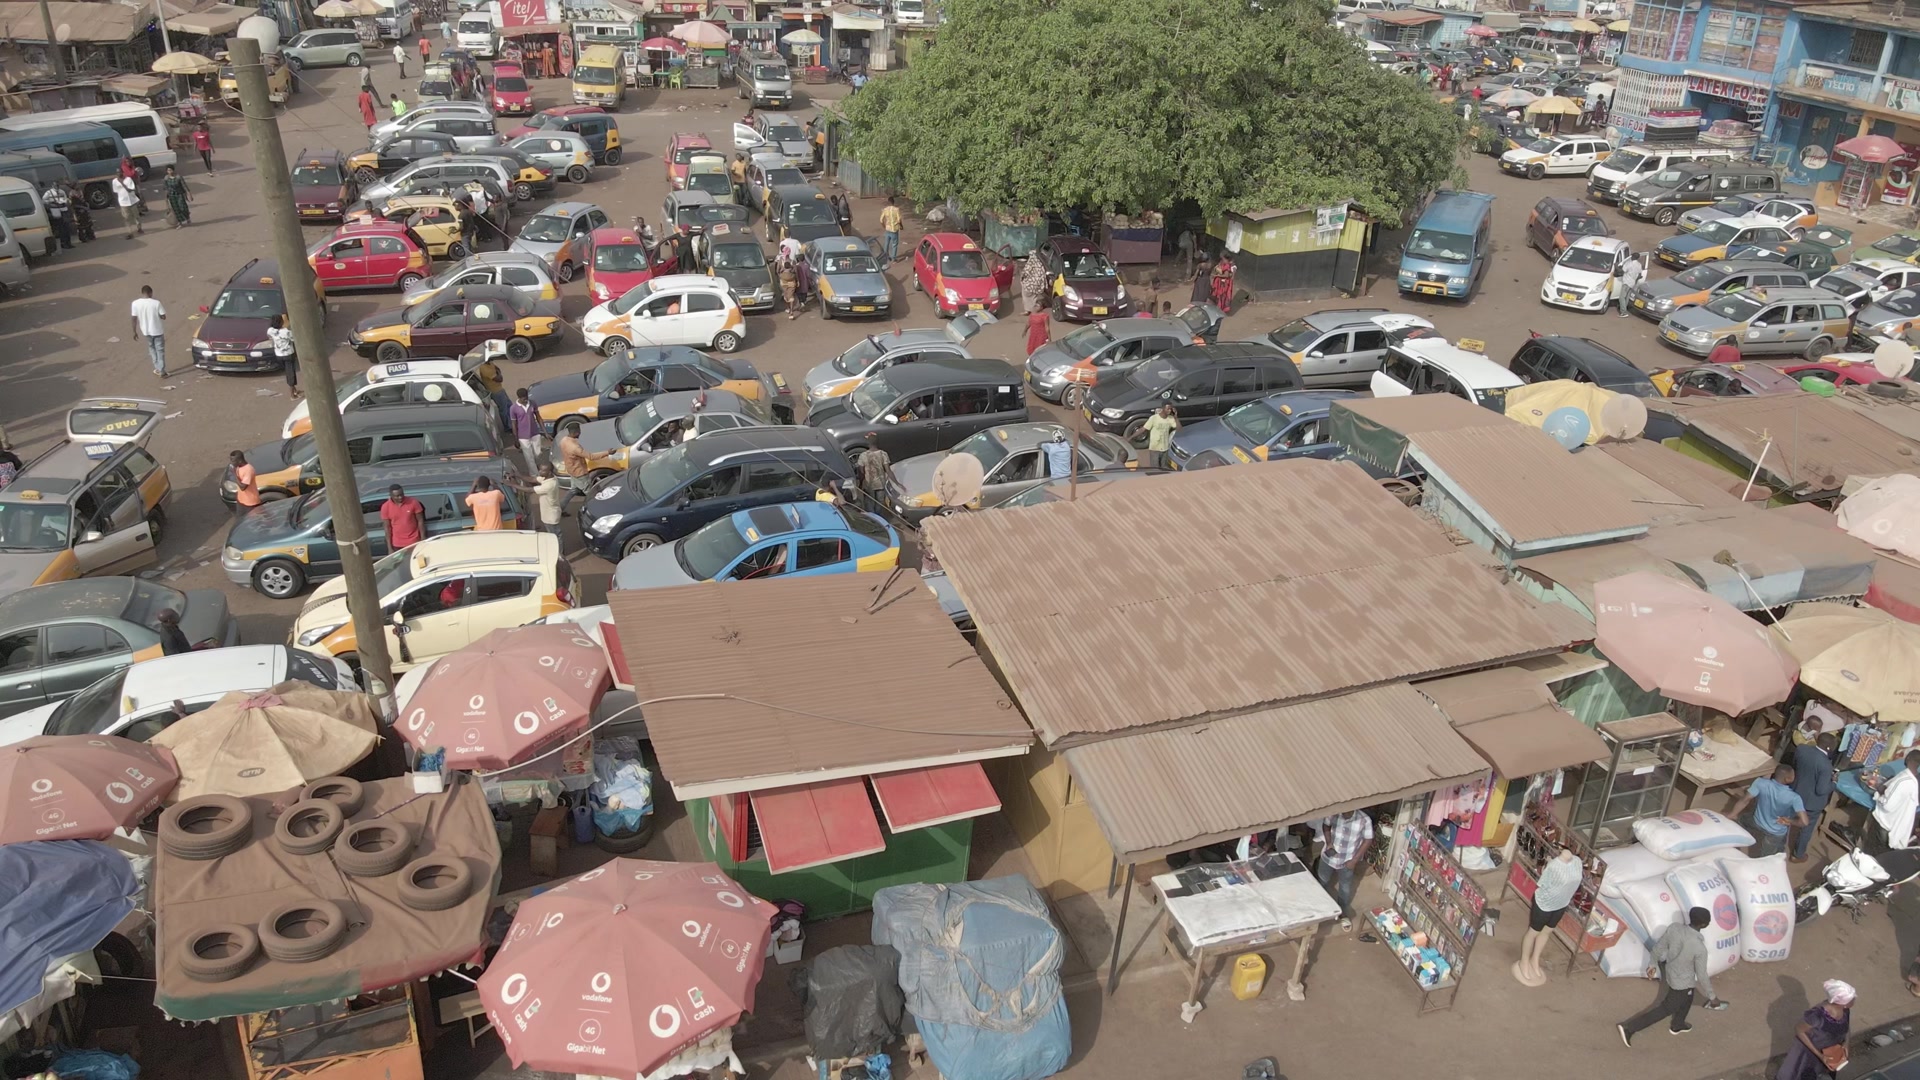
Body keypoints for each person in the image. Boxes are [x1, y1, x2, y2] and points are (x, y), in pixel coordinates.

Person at [1618, 907, 1724, 1045]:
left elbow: (1659, 947)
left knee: (1688, 998)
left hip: (1670, 972)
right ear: (1704, 924)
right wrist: (1712, 997)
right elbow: (1702, 975)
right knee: (1666, 1008)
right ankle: (1629, 1028)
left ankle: (1678, 1024)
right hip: (1682, 983)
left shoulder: (1674, 928)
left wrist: (1652, 965)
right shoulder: (1699, 948)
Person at [1728, 764, 1809, 858]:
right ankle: (1776, 859)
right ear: (1788, 779)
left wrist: (1732, 814)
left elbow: (1745, 800)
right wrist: (1790, 821)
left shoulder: (1760, 782)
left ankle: (1735, 845)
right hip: (1775, 831)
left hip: (1756, 821)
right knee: (1766, 857)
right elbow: (1804, 822)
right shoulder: (1794, 798)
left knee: (1742, 819)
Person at [1312, 808, 1374, 929]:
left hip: (1348, 860)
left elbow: (1368, 839)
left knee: (1345, 888)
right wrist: (1329, 842)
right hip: (1328, 857)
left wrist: (1355, 860)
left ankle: (1342, 913)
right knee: (1321, 882)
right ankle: (1318, 910)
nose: (1344, 813)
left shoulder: (1364, 819)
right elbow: (1326, 825)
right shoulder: (1333, 813)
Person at [1778, 981, 1853, 1080]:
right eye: (1851, 999)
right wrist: (1820, 1055)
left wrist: (1846, 1044)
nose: (1854, 1000)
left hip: (1830, 1053)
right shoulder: (1817, 1015)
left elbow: (1846, 1027)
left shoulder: (1844, 1010)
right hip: (1810, 1055)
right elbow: (1799, 1030)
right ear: (1840, 1002)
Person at [1790, 733, 1838, 862]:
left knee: (1785, 816)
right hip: (1811, 803)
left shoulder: (1801, 749)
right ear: (1829, 748)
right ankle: (1797, 855)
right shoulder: (1826, 765)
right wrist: (1833, 783)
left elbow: (1795, 766)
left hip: (1794, 793)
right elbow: (1821, 790)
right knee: (1806, 829)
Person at [1871, 749, 1920, 850]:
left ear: (1908, 758)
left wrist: (1879, 789)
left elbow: (1887, 805)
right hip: (1893, 827)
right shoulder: (1913, 782)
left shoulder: (1903, 780)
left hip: (1884, 825)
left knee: (1871, 854)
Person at [131, 285, 167, 377]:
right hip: (157, 331)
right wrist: (158, 315)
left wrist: (134, 331)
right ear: (151, 293)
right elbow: (163, 316)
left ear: (142, 293)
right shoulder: (156, 303)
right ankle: (162, 371)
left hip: (146, 331)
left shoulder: (135, 303)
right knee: (160, 350)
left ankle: (157, 368)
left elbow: (134, 318)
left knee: (152, 348)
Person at [376, 485, 424, 552]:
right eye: (397, 496)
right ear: (391, 495)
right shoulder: (385, 507)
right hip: (397, 544)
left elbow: (420, 520)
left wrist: (423, 538)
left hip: (414, 541)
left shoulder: (413, 502)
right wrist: (390, 548)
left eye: (402, 494)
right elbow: (387, 528)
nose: (400, 497)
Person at [266, 313, 298, 398]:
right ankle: (292, 395)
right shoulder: (286, 332)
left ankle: (294, 390)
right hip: (288, 354)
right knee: (290, 373)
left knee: (288, 372)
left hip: (278, 354)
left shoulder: (270, 330)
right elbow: (294, 339)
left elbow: (269, 336)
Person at [510, 387, 542, 466]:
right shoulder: (513, 408)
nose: (526, 400)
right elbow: (514, 424)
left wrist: (544, 431)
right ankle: (535, 475)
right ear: (519, 398)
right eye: (524, 398)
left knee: (538, 454)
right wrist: (516, 439)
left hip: (535, 433)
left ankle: (540, 469)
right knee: (529, 458)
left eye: (527, 397)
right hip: (523, 436)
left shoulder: (532, 403)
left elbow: (538, 417)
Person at [1142, 404, 1179, 471]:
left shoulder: (1170, 419)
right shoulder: (1154, 418)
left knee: (1164, 467)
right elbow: (1143, 429)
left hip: (1165, 448)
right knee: (1155, 468)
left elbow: (1179, 429)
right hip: (1155, 448)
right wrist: (1130, 437)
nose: (1169, 411)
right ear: (1163, 408)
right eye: (1168, 409)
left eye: (1171, 409)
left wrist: (1175, 417)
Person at [556, 422, 589, 490]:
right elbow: (591, 456)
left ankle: (564, 501)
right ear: (576, 432)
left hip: (571, 470)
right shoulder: (575, 447)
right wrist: (607, 452)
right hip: (580, 473)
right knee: (588, 491)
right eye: (579, 431)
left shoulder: (563, 440)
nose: (580, 433)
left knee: (573, 490)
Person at [42, 180, 71, 250]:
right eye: (55, 186)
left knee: (66, 227)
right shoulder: (48, 193)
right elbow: (43, 200)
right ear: (52, 186)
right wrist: (51, 202)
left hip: (63, 209)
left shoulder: (61, 191)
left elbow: (65, 198)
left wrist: (65, 201)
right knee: (60, 228)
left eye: (57, 185)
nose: (56, 187)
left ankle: (68, 243)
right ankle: (63, 243)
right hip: (55, 210)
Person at [112, 169, 142, 238]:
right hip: (123, 202)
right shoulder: (114, 181)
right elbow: (115, 191)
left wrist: (122, 184)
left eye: (120, 172)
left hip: (132, 200)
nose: (119, 174)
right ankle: (130, 232)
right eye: (117, 173)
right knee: (126, 218)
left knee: (136, 216)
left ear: (123, 172)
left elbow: (131, 189)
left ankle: (139, 228)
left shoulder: (128, 179)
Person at [1020, 251, 1048, 315]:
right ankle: (1033, 309)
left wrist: (1022, 277)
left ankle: (1027, 310)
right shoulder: (1041, 263)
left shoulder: (1031, 262)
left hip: (1030, 284)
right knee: (1034, 296)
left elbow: (1026, 272)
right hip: (1039, 284)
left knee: (1026, 295)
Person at [879, 195, 903, 264]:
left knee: (886, 243)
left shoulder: (885, 209)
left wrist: (884, 226)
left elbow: (881, 220)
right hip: (894, 230)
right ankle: (893, 259)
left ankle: (885, 256)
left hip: (887, 229)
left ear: (888, 202)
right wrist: (901, 226)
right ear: (893, 202)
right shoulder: (896, 210)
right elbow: (899, 220)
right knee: (894, 244)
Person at [778, 253, 800, 320]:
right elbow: (795, 275)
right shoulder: (792, 274)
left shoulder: (782, 274)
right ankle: (791, 312)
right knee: (791, 297)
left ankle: (788, 308)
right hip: (792, 285)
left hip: (784, 286)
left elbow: (778, 273)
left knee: (786, 297)